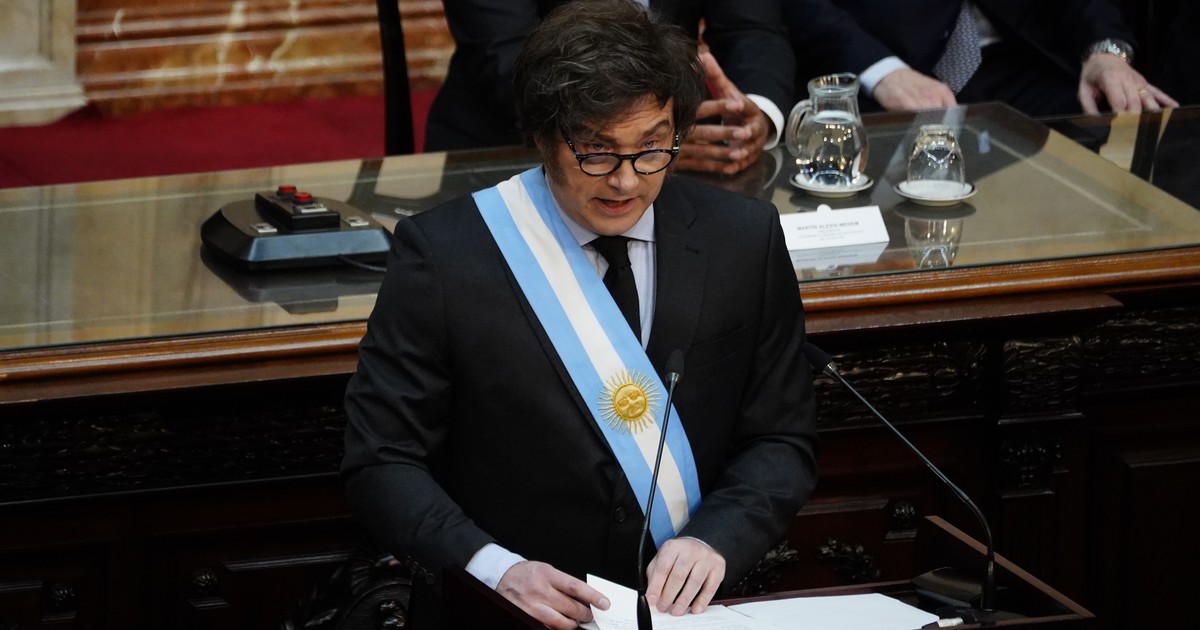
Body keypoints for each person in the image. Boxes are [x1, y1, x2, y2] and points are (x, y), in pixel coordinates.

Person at [342, 1, 819, 628]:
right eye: (596, 151)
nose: (626, 181)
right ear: (545, 138)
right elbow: (380, 459)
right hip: (508, 615)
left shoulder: (743, 239)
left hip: (688, 614)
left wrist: (716, 539)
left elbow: (781, 437)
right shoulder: (444, 257)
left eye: (652, 148)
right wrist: (493, 569)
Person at [424, 0, 795, 176]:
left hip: (685, 148)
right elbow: (505, 55)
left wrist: (755, 114)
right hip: (508, 146)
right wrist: (642, 142)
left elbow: (752, 30)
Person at [784, 0, 1177, 117]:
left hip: (1020, 64)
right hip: (887, 71)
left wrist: (1106, 52)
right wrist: (883, 71)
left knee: (1131, 123)